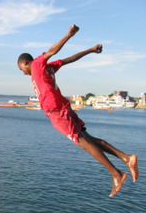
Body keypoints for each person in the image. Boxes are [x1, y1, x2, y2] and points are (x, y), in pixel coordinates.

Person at [17, 24, 139, 198]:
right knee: (90, 140)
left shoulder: (36, 64)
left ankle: (116, 174)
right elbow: (69, 59)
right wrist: (90, 50)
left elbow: (52, 51)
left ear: (25, 63)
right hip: (64, 108)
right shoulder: (47, 68)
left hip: (57, 112)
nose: (24, 74)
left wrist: (69, 35)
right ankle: (126, 158)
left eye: (23, 70)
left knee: (85, 145)